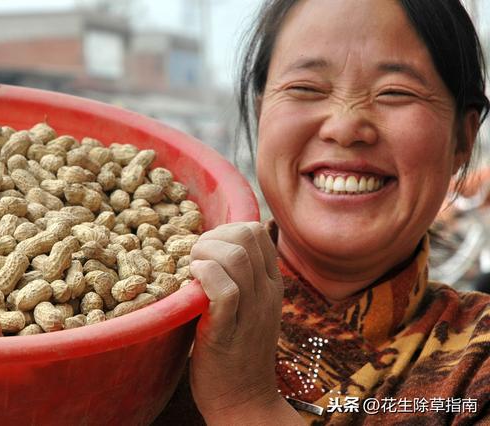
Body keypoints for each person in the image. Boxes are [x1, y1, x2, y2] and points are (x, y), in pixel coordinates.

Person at [156, 0, 490, 424]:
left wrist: (245, 402)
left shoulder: (477, 362)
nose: (345, 127)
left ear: (463, 137)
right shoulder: (153, 310)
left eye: (395, 93)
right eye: (306, 88)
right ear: (261, 113)